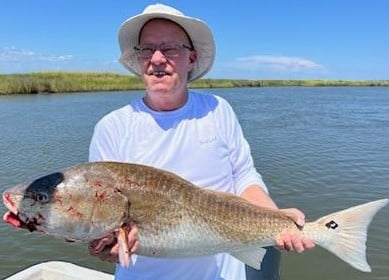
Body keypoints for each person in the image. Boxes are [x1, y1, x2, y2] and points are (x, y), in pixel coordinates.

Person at [88, 3, 315, 280]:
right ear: (138, 60)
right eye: (146, 49)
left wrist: (276, 218)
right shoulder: (112, 128)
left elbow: (243, 175)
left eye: (169, 48)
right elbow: (101, 214)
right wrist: (105, 243)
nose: (157, 58)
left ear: (191, 59)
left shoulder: (218, 110)